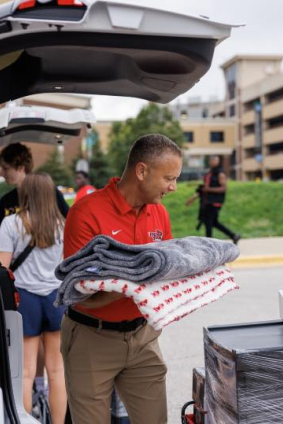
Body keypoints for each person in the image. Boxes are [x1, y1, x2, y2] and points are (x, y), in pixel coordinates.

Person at [61, 134, 182, 424]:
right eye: (168, 178)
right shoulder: (86, 213)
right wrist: (133, 281)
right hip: (92, 339)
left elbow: (163, 272)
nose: (173, 187)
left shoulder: (159, 213)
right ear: (141, 171)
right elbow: (81, 294)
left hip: (143, 337)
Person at [0, 173, 67, 424]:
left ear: (24, 194)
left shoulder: (11, 224)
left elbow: (2, 268)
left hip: (26, 300)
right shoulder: (63, 224)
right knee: (57, 371)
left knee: (25, 373)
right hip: (56, 299)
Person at [0, 143, 70, 229]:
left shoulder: (49, 193)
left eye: (5, 168)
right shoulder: (4, 203)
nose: (1, 174)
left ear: (21, 168)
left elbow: (69, 223)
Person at [199, 156, 240, 244]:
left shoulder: (220, 173)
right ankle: (233, 235)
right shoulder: (210, 172)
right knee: (214, 222)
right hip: (207, 201)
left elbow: (223, 188)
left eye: (213, 160)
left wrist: (208, 189)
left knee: (208, 222)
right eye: (211, 160)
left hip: (215, 202)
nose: (211, 162)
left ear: (217, 161)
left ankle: (209, 244)